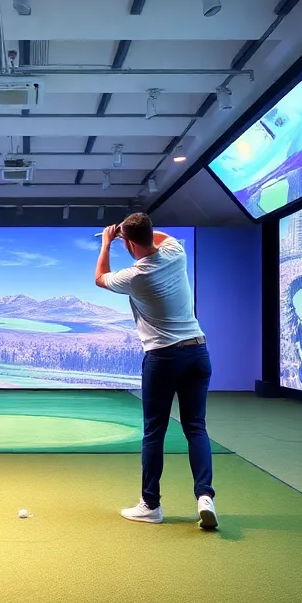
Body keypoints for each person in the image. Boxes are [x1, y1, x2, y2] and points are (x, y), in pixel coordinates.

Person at [95, 214, 216, 529]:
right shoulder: (176, 253)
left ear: (129, 242)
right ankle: (205, 496)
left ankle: (150, 505)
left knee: (154, 432)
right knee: (196, 428)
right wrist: (129, 233)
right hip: (198, 352)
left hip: (163, 358)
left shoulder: (135, 276)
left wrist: (108, 241)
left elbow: (100, 277)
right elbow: (156, 238)